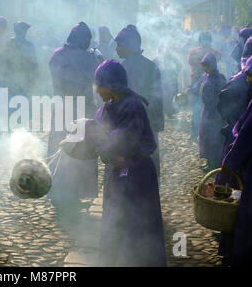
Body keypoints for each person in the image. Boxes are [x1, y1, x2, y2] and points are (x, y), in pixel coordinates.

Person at [91, 60, 166, 266]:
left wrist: (100, 147)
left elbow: (123, 139)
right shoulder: (107, 107)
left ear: (114, 85)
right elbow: (97, 130)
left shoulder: (133, 106)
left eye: (100, 85)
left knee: (138, 226)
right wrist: (81, 136)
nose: (97, 90)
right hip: (118, 173)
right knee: (115, 222)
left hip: (138, 174)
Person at [47, 22, 99, 214]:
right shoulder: (88, 58)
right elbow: (95, 80)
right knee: (77, 153)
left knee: (60, 148)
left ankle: (58, 192)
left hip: (60, 107)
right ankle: (73, 194)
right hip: (81, 109)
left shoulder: (57, 54)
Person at [215, 34, 252, 264]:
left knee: (243, 209)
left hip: (248, 166)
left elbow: (245, 139)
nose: (249, 80)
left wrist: (228, 164)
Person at [115, 24, 164, 179]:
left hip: (126, 124)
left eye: (119, 45)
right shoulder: (151, 66)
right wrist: (157, 124)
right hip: (147, 123)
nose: (116, 49)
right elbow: (157, 99)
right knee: (146, 161)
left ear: (128, 46)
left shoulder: (119, 68)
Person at [189, 53, 226, 170]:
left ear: (213, 65)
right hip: (206, 111)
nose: (205, 68)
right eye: (203, 65)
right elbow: (196, 88)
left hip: (216, 112)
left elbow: (223, 96)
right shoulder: (204, 76)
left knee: (215, 137)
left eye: (207, 65)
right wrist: (189, 90)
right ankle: (209, 162)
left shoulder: (220, 78)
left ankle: (216, 163)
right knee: (205, 136)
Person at [188, 32, 221, 142]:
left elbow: (190, 63)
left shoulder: (194, 52)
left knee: (197, 109)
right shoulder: (214, 52)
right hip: (200, 81)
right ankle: (202, 134)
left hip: (199, 81)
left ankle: (196, 134)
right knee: (203, 109)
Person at [1, 21, 39, 97]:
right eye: (25, 30)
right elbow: (34, 64)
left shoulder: (9, 43)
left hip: (15, 79)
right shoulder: (29, 45)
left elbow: (4, 62)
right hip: (22, 79)